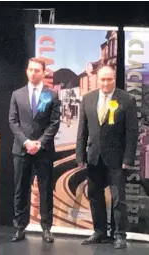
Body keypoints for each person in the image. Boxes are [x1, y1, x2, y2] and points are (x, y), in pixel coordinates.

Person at [76, 66, 138, 249]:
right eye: (102, 79)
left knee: (118, 199)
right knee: (95, 196)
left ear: (114, 79)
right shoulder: (87, 99)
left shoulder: (127, 100)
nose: (105, 83)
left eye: (109, 79)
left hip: (117, 160)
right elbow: (82, 131)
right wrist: (80, 155)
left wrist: (128, 158)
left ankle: (119, 235)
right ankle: (100, 232)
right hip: (94, 157)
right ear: (97, 79)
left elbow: (132, 133)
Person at [9, 58, 60, 243]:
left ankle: (46, 228)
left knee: (46, 190)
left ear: (44, 73)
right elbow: (13, 122)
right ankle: (20, 228)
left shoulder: (52, 95)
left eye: (37, 70)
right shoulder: (17, 94)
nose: (33, 73)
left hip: (43, 151)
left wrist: (39, 142)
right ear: (26, 71)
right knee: (20, 189)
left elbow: (54, 123)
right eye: (30, 69)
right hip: (21, 150)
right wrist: (26, 142)